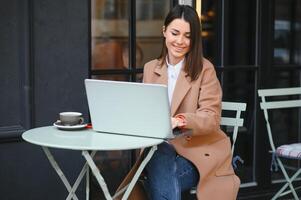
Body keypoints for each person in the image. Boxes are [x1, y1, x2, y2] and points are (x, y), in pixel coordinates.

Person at [117, 5, 240, 200]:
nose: (180, 41)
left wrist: (179, 121)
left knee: (152, 172)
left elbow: (211, 118)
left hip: (198, 154)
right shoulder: (150, 68)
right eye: (175, 33)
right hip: (160, 154)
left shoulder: (204, 69)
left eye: (188, 36)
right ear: (164, 31)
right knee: (160, 153)